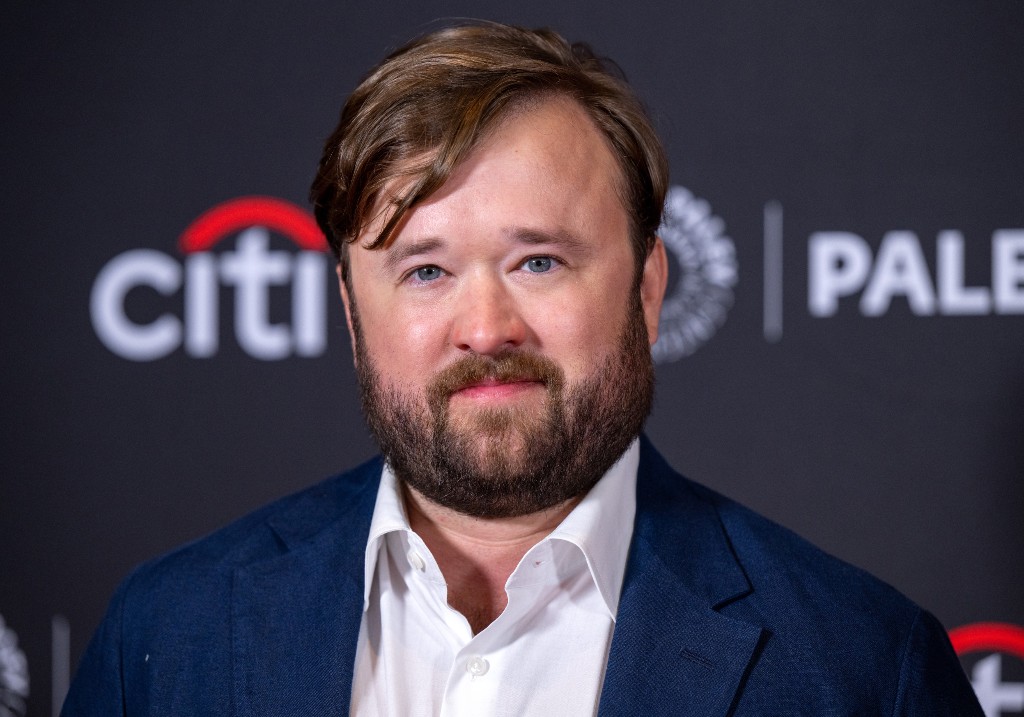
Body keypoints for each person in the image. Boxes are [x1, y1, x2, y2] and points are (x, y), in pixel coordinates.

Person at [62, 21, 982, 716]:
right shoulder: (163, 638)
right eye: (425, 270)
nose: (486, 327)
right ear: (350, 314)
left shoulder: (866, 667)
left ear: (648, 287)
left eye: (538, 260)